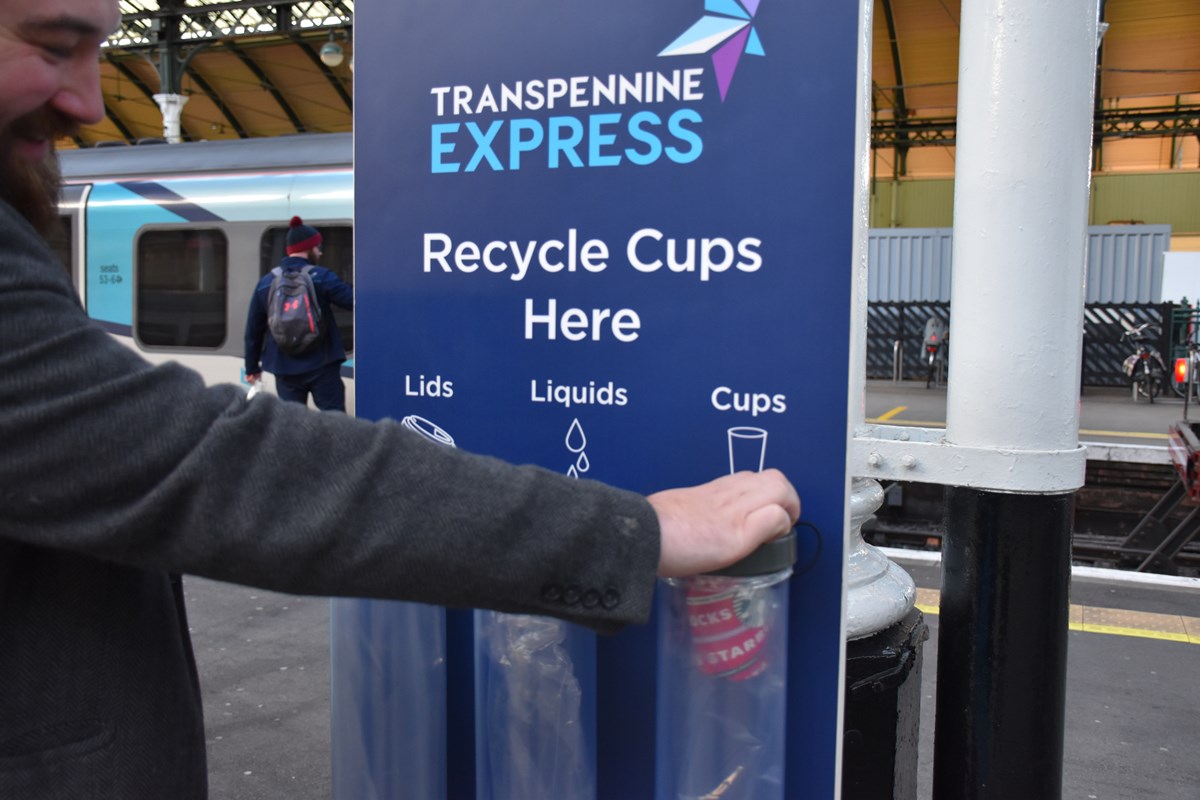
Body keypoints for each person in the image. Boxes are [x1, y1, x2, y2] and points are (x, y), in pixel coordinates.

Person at [0, 1, 802, 797]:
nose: (91, 100)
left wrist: (252, 367)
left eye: (97, 51)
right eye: (56, 45)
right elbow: (215, 467)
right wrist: (634, 533)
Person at [244, 216, 354, 411]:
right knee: (334, 421)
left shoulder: (266, 283)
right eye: (317, 247)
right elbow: (353, 301)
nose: (319, 252)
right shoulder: (321, 277)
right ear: (309, 248)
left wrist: (252, 368)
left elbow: (254, 329)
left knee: (293, 425)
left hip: (284, 367)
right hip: (322, 363)